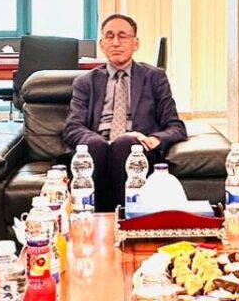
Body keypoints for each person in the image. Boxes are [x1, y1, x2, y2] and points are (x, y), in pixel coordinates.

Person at [63, 13, 187, 210]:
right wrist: (97, 141)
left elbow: (176, 127)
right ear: (102, 44)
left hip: (136, 150)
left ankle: (127, 219)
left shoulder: (154, 78)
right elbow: (73, 127)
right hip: (97, 148)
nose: (116, 42)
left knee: (125, 144)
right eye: (109, 36)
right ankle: (91, 218)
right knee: (95, 146)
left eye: (123, 36)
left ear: (135, 43)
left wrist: (154, 139)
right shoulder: (85, 82)